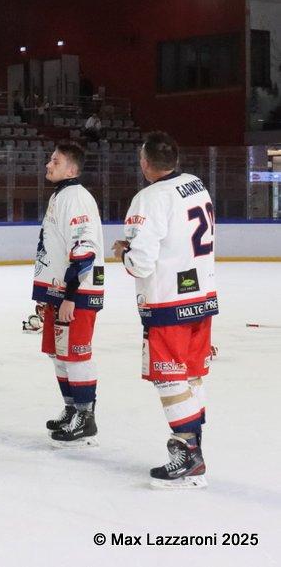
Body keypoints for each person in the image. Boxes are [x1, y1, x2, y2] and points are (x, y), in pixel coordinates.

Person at [112, 131, 217, 489]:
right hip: (202, 294)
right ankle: (194, 445)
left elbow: (140, 264)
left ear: (145, 163)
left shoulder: (149, 198)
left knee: (169, 377)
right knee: (190, 376)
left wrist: (122, 252)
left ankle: (189, 453)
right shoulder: (195, 184)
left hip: (168, 301)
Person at [32, 141, 105, 447]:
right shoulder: (62, 195)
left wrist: (71, 295)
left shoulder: (75, 198)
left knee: (75, 355)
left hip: (76, 293)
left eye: (56, 161)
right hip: (59, 293)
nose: (49, 165)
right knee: (58, 352)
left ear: (72, 169)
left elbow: (84, 249)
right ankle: (72, 408)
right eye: (50, 159)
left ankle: (85, 417)